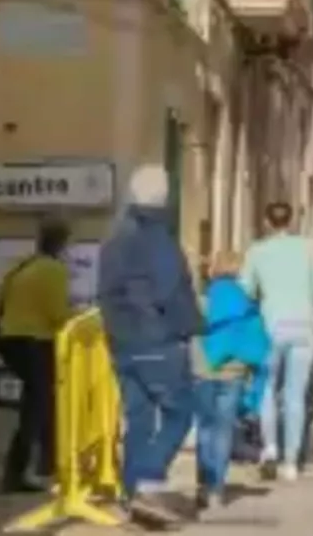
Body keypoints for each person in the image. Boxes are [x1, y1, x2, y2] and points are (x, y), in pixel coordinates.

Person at [97, 164, 203, 527]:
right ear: (165, 198)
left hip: (122, 344)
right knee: (180, 412)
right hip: (158, 340)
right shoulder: (160, 239)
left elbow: (106, 294)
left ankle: (131, 497)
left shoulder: (113, 241)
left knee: (138, 420)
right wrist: (189, 327)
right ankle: (148, 480)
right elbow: (171, 291)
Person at [240, 201, 313, 481]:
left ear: (267, 221)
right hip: (303, 327)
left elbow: (246, 290)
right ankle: (291, 461)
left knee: (266, 389)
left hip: (271, 326)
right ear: (291, 222)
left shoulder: (256, 251)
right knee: (295, 395)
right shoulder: (308, 249)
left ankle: (270, 447)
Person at [0, 219, 73, 493]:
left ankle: (35, 466)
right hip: (33, 340)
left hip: (9, 338)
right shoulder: (54, 270)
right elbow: (59, 314)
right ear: (62, 244)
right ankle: (34, 468)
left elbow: (1, 301)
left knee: (38, 401)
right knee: (40, 403)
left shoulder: (21, 267)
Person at [192, 250, 269, 512]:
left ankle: (203, 483)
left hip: (202, 371)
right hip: (233, 373)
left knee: (204, 428)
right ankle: (217, 489)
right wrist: (254, 395)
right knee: (224, 430)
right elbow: (259, 345)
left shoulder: (203, 300)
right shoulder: (246, 303)